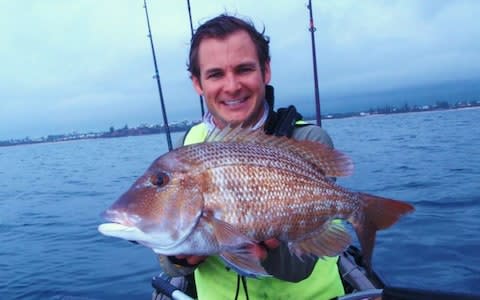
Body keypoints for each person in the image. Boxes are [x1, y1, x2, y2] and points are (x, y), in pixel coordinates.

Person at [154, 14, 345, 300]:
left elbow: (300, 267)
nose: (232, 86)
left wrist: (264, 251)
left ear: (265, 71)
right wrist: (180, 258)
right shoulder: (188, 146)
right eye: (215, 74)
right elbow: (169, 260)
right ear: (197, 83)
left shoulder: (307, 141)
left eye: (244, 69)